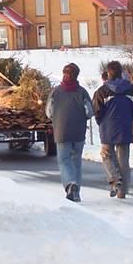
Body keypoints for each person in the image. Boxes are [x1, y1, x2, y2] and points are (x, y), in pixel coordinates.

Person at [93, 61, 133, 199]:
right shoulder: (131, 89)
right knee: (123, 161)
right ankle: (123, 192)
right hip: (125, 126)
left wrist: (101, 121)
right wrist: (129, 118)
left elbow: (96, 109)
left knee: (106, 154)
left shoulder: (102, 91)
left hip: (107, 127)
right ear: (121, 73)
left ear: (108, 73)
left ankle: (114, 179)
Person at [45, 63, 94, 202]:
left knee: (64, 160)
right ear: (77, 75)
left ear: (63, 74)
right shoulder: (83, 92)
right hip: (78, 131)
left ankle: (70, 184)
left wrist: (57, 117)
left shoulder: (56, 92)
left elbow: (49, 112)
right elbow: (89, 111)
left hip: (61, 131)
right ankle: (76, 191)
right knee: (76, 161)